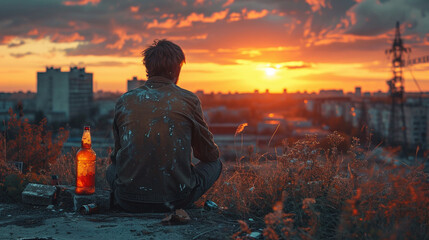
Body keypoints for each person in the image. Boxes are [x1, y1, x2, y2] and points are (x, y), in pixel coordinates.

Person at [106, 39, 222, 213]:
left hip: (127, 200)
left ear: (147, 69)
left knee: (111, 169)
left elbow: (117, 157)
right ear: (178, 69)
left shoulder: (125, 100)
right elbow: (208, 154)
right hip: (176, 201)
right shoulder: (188, 100)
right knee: (215, 163)